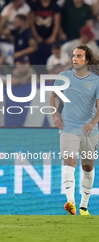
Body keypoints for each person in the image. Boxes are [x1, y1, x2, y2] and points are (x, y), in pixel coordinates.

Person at [50, 45, 99, 215]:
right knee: (69, 162)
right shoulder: (64, 76)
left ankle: (84, 206)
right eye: (73, 56)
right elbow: (52, 96)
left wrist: (93, 123)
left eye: (79, 56)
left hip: (89, 131)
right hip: (68, 127)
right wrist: (55, 114)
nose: (74, 59)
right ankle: (70, 202)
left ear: (86, 60)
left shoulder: (96, 80)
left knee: (88, 168)